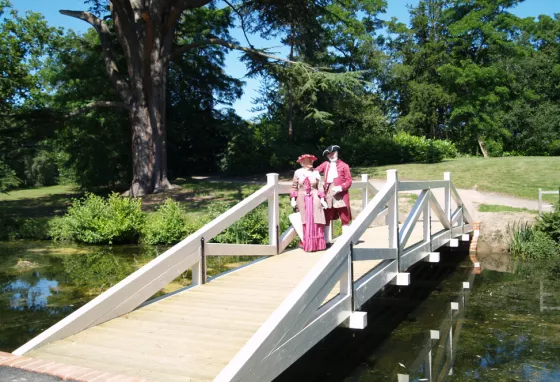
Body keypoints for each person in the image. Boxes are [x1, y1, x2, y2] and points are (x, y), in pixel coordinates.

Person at [290, 154, 328, 252]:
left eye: (311, 161)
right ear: (302, 163)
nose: (310, 163)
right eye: (307, 161)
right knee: (305, 221)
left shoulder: (316, 172)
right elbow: (294, 186)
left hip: (315, 198)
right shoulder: (298, 172)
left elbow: (320, 187)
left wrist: (323, 199)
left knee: (317, 220)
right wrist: (293, 199)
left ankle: (318, 245)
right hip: (302, 199)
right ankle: (307, 244)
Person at [315, 145, 352, 234]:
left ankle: (345, 240)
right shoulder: (326, 165)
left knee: (344, 216)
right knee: (327, 215)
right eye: (329, 155)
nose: (331, 156)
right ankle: (327, 241)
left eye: (333, 153)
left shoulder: (344, 166)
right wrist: (318, 179)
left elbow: (349, 180)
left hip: (341, 195)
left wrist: (341, 187)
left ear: (337, 153)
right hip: (328, 193)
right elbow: (315, 171)